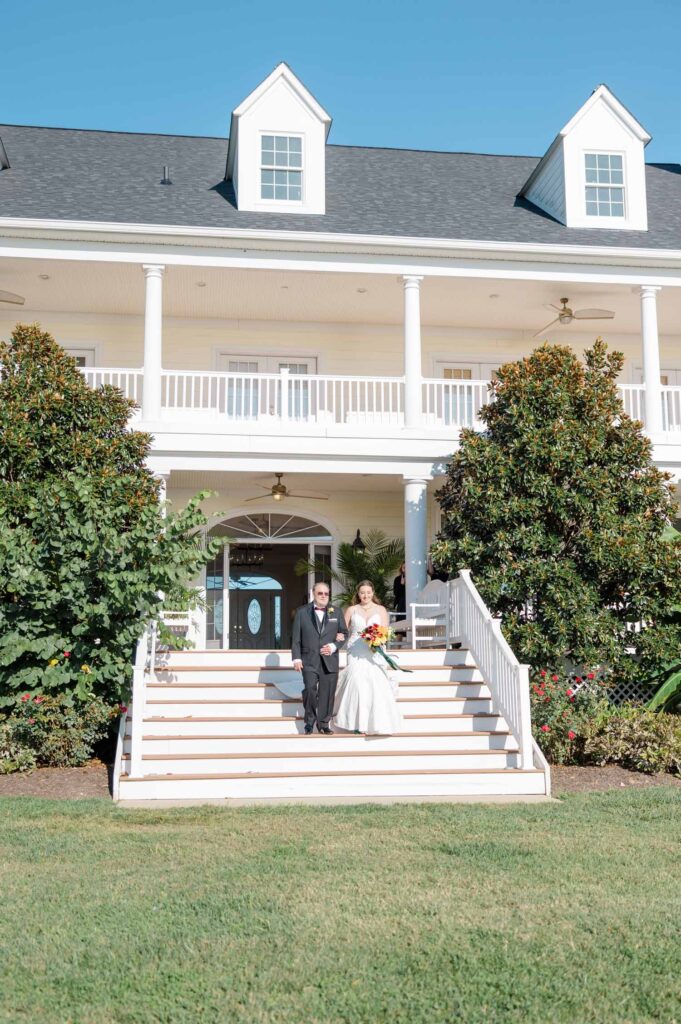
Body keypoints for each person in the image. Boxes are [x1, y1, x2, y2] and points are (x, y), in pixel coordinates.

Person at [333, 580, 402, 735]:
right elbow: (343, 630)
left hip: (374, 651)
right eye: (362, 592)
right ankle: (356, 723)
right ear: (358, 594)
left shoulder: (381, 610)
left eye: (368, 592)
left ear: (373, 593)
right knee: (357, 685)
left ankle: (375, 723)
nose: (365, 595)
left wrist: (377, 640)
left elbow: (385, 632)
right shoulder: (352, 610)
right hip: (355, 650)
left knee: (373, 685)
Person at [291, 582, 349, 734]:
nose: (323, 596)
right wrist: (296, 658)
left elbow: (344, 633)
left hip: (330, 660)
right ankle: (309, 721)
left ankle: (323, 724)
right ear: (313, 593)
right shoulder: (301, 612)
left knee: (327, 693)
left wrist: (334, 646)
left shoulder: (336, 612)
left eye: (326, 594)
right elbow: (296, 637)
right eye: (320, 593)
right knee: (310, 689)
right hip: (308, 659)